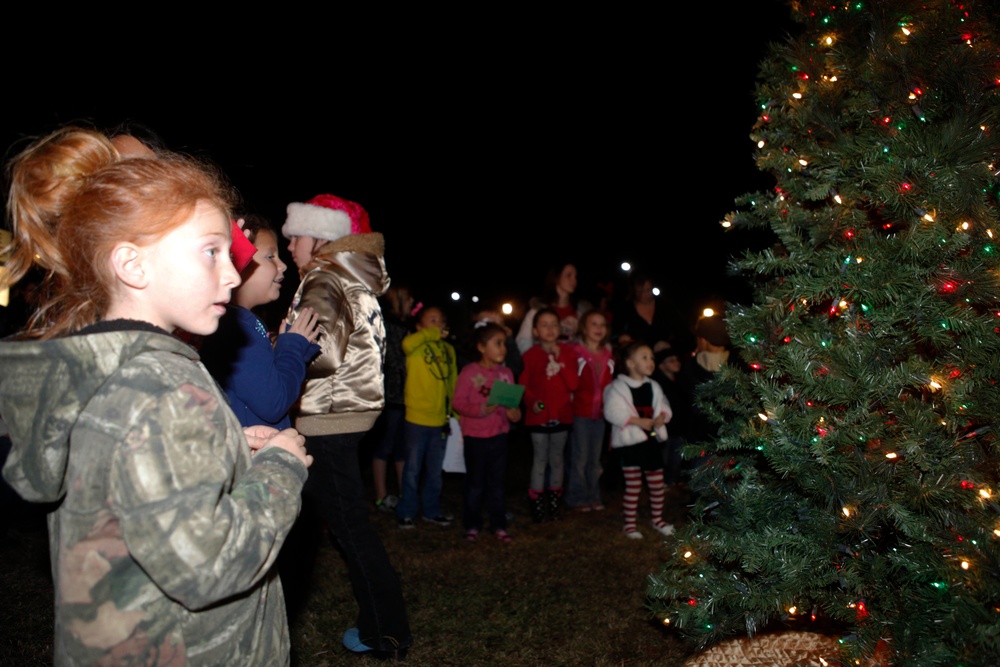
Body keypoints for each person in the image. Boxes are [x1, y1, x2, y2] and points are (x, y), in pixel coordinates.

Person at [0, 126, 312, 665]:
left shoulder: (109, 367)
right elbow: (210, 566)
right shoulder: (160, 385)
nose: (232, 271)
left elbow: (130, 479)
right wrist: (280, 469)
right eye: (211, 252)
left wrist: (231, 449)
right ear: (132, 264)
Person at [281, 193, 412, 659]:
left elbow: (327, 352)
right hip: (349, 414)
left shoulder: (323, 276)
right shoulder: (351, 277)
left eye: (295, 235)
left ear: (320, 239)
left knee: (350, 527)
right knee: (340, 522)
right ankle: (379, 622)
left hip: (330, 417)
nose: (289, 243)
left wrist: (282, 346)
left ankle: (386, 630)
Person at [200, 213, 321, 428]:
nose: (282, 265)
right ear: (238, 261)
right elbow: (274, 403)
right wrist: (292, 348)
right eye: (270, 257)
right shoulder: (238, 326)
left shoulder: (238, 322)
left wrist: (296, 347)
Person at [452, 321, 522, 543]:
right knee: (475, 483)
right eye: (497, 343)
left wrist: (514, 414)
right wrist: (482, 409)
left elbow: (514, 408)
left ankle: (498, 524)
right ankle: (472, 524)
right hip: (475, 437)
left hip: (499, 435)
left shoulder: (506, 373)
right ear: (482, 347)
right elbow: (458, 403)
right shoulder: (469, 372)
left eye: (504, 344)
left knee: (497, 483)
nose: (503, 348)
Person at [603, 340, 675, 540]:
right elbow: (612, 411)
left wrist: (662, 416)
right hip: (630, 445)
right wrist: (636, 421)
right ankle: (630, 524)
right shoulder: (617, 387)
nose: (650, 361)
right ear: (630, 363)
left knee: (657, 483)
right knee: (633, 485)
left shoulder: (654, 386)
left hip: (650, 443)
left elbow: (663, 405)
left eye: (651, 357)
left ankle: (657, 519)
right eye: (644, 357)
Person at [397, 304, 458, 529]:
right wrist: (430, 334)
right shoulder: (415, 345)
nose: (438, 324)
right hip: (416, 419)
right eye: (432, 320)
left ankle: (432, 510)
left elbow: (453, 383)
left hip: (440, 420)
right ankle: (406, 511)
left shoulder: (448, 350)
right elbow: (406, 344)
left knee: (435, 471)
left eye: (440, 320)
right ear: (420, 326)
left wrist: (455, 413)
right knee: (412, 469)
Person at [519, 307, 580, 522]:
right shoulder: (530, 355)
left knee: (556, 459)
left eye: (554, 324)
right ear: (535, 331)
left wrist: (560, 362)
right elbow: (523, 385)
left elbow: (573, 383)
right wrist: (532, 402)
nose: (550, 329)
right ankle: (536, 503)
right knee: (540, 458)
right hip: (538, 417)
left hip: (561, 416)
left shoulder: (568, 352)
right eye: (544, 325)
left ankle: (554, 503)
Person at [566, 308, 615, 512]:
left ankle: (593, 494)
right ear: (584, 328)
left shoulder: (608, 354)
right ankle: (576, 496)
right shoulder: (575, 352)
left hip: (600, 415)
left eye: (602, 324)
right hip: (581, 413)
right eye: (593, 324)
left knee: (594, 458)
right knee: (580, 457)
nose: (598, 328)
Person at [370, 283, 413, 512]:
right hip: (389, 397)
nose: (412, 302)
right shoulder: (387, 325)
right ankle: (381, 495)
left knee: (402, 447)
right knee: (384, 445)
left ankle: (404, 492)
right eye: (407, 298)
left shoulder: (407, 326)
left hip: (405, 397)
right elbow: (392, 362)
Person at [515, 261, 590, 353]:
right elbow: (523, 342)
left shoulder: (582, 311)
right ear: (556, 278)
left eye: (575, 277)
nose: (574, 281)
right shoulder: (537, 310)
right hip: (544, 363)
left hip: (574, 363)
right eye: (569, 276)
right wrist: (537, 361)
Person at [651, 340, 693, 485]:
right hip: (665, 429)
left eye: (676, 360)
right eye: (671, 361)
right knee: (663, 457)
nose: (676, 363)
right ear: (662, 365)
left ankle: (671, 480)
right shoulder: (658, 384)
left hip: (680, 429)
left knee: (676, 458)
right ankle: (661, 482)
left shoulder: (681, 380)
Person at [612, 269, 682, 350]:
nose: (645, 295)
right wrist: (622, 338)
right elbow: (614, 334)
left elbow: (682, 333)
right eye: (640, 291)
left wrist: (669, 344)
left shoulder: (665, 306)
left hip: (666, 355)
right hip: (637, 356)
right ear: (634, 290)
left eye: (648, 290)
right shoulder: (625, 309)